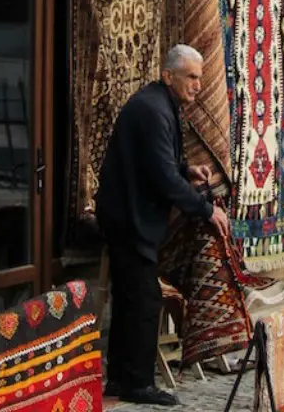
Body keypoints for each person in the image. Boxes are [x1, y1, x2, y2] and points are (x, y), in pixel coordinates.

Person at [95, 44, 230, 406]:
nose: (198, 85)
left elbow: (163, 165)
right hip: (129, 217)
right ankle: (137, 384)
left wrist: (187, 169)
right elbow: (162, 179)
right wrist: (205, 209)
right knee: (143, 300)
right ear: (168, 75)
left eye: (200, 77)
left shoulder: (160, 105)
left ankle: (121, 379)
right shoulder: (154, 110)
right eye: (191, 76)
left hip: (127, 213)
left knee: (130, 298)